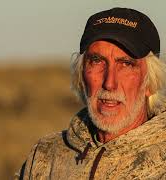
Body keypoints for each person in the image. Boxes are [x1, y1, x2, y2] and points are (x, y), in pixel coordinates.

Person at [16, 7, 166, 180]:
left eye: (125, 64)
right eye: (97, 61)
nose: (110, 83)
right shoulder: (45, 155)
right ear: (81, 75)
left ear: (150, 82)